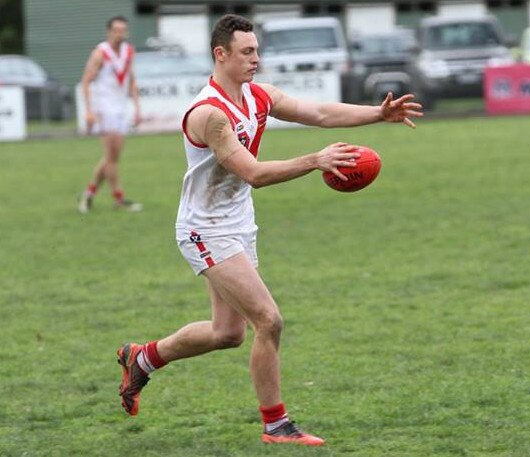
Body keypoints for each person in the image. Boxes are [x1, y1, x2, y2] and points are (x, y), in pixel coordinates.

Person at [116, 14, 422, 446]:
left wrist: (378, 113)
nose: (256, 59)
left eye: (257, 50)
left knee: (227, 334)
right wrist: (313, 161)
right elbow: (253, 173)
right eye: (247, 52)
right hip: (206, 229)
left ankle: (142, 358)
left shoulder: (257, 96)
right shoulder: (210, 114)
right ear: (220, 54)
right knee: (269, 319)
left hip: (239, 223)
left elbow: (316, 111)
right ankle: (276, 424)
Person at [78, 16, 142, 214]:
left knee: (111, 158)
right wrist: (88, 111)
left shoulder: (129, 51)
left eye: (123, 30)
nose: (120, 33)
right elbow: (86, 81)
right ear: (109, 31)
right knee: (111, 158)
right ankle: (119, 199)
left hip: (121, 108)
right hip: (104, 108)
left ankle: (88, 194)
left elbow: (131, 80)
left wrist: (137, 107)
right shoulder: (100, 53)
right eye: (116, 30)